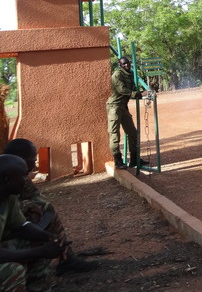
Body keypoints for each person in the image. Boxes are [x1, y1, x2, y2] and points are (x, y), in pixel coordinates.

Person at [2, 139, 98, 277]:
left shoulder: (14, 177)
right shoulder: (10, 175)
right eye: (33, 158)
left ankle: (64, 257)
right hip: (6, 233)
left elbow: (30, 205)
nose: (35, 163)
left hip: (10, 224)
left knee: (45, 217)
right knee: (39, 237)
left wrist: (48, 236)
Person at [0, 153, 67, 291]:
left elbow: (21, 225)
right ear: (7, 180)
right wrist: (39, 251)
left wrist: (49, 237)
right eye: (24, 175)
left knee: (43, 243)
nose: (27, 179)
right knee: (13, 270)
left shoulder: (8, 196)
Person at [106, 57, 148, 169]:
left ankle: (134, 159)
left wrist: (143, 92)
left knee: (133, 133)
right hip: (114, 107)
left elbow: (133, 89)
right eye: (124, 64)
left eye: (128, 63)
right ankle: (118, 161)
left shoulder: (129, 74)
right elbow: (122, 90)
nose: (127, 65)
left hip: (123, 107)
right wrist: (138, 94)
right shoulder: (117, 74)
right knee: (115, 134)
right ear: (120, 65)